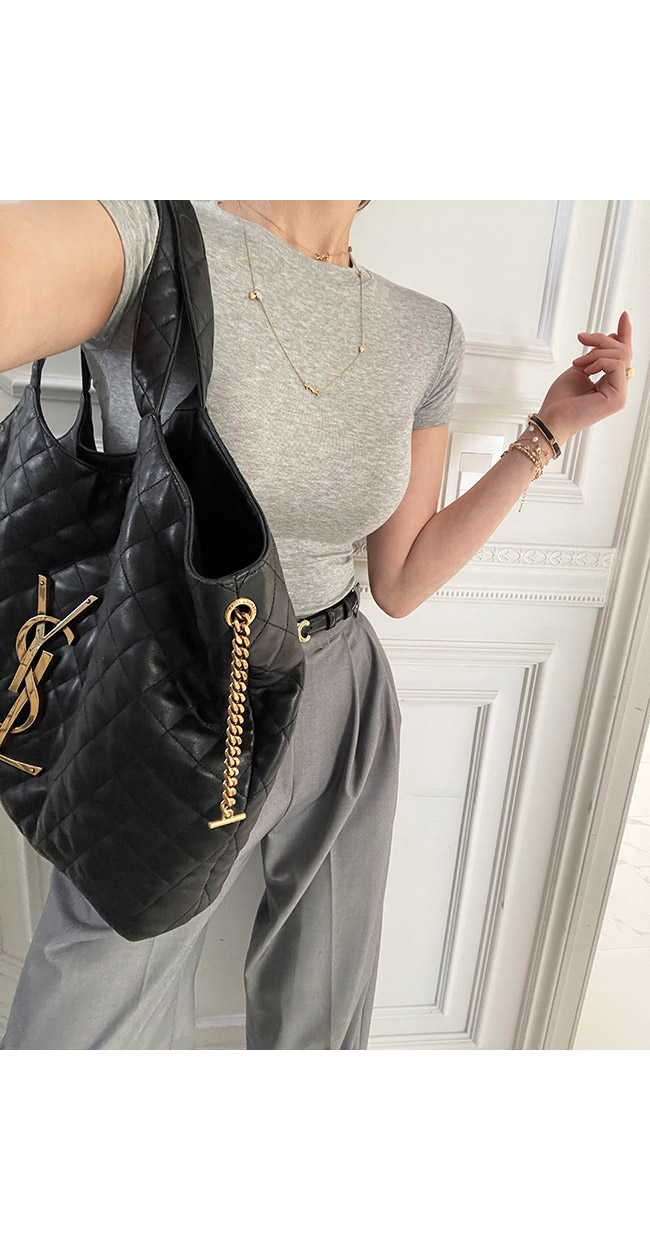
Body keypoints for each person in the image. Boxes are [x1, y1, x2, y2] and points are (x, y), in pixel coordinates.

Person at [0, 200, 634, 1049]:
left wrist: (547, 433)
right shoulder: (152, 235)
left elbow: (401, 579)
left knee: (321, 1016)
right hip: (170, 686)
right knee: (88, 1018)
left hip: (341, 688)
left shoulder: (426, 331)